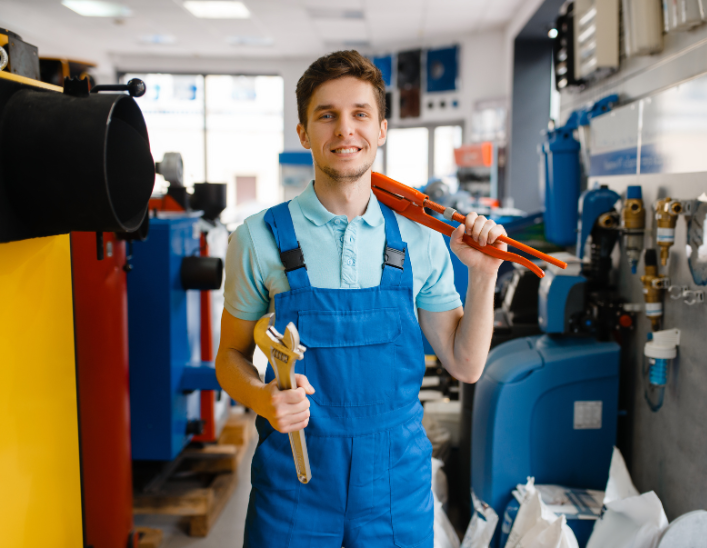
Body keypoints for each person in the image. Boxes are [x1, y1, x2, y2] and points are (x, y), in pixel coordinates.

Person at [215, 50, 507, 548]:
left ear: (382, 128)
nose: (344, 130)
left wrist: (483, 275)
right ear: (304, 133)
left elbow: (465, 364)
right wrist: (264, 399)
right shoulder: (257, 239)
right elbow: (230, 358)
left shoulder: (420, 238)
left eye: (360, 114)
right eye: (326, 115)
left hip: (394, 492)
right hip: (294, 488)